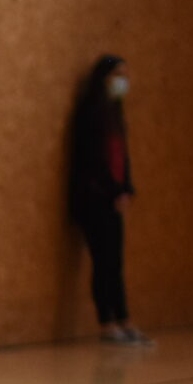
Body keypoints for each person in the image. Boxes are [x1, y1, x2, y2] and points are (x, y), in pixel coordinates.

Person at [69, 54, 146, 346]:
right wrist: (112, 191)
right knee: (103, 262)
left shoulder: (116, 115)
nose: (123, 81)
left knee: (115, 262)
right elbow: (92, 162)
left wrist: (126, 188)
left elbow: (120, 160)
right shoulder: (91, 113)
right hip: (95, 200)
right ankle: (107, 323)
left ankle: (124, 320)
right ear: (104, 78)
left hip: (114, 199)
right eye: (118, 75)